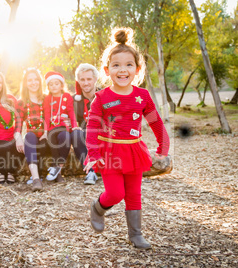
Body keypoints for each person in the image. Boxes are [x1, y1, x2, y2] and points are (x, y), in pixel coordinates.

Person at [84, 28, 170, 249]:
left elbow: (155, 122)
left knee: (133, 193)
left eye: (129, 64)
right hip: (109, 153)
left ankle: (135, 234)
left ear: (137, 69)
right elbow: (92, 126)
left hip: (134, 151)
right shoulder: (101, 98)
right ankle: (98, 207)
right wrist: (93, 154)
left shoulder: (142, 97)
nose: (123, 70)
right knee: (115, 193)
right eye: (116, 65)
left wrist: (164, 145)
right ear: (107, 69)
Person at [42, 71, 80, 183]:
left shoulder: (67, 96)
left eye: (56, 83)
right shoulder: (48, 98)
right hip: (51, 128)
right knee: (52, 141)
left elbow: (71, 112)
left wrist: (74, 126)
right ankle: (58, 172)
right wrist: (45, 131)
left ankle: (58, 165)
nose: (54, 86)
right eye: (51, 84)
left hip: (63, 126)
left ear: (62, 85)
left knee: (65, 138)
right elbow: (47, 115)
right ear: (48, 86)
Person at [17, 68, 48, 191]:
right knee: (29, 136)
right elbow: (18, 124)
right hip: (33, 138)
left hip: (47, 137)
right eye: (30, 80)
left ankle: (55, 172)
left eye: (36, 80)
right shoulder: (22, 102)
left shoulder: (47, 98)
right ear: (25, 83)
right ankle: (36, 179)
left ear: (40, 82)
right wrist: (18, 137)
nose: (33, 82)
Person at [72, 63, 101, 185]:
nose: (86, 83)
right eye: (82, 79)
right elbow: (73, 121)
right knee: (76, 133)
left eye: (89, 79)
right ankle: (91, 171)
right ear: (78, 81)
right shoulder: (74, 100)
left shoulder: (105, 96)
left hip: (102, 135)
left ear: (95, 79)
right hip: (84, 135)